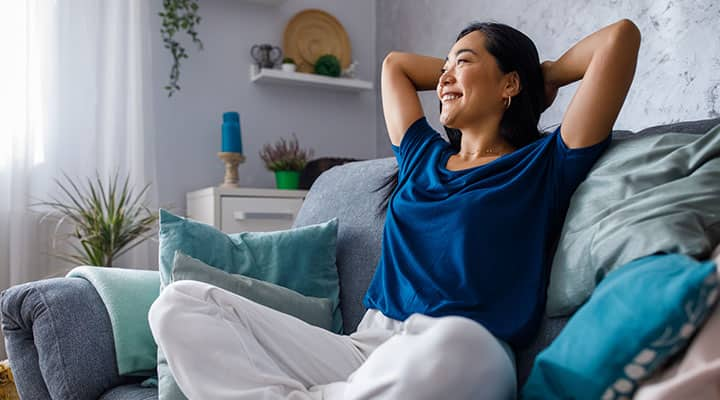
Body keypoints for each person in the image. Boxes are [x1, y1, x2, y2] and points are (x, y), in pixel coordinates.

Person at [148, 18, 641, 400]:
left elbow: (619, 38)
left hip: (461, 349)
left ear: (509, 84)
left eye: (462, 62)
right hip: (364, 346)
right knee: (181, 303)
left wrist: (541, 74)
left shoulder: (545, 164)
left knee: (460, 348)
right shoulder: (422, 156)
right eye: (444, 65)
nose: (445, 75)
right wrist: (463, 69)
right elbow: (394, 67)